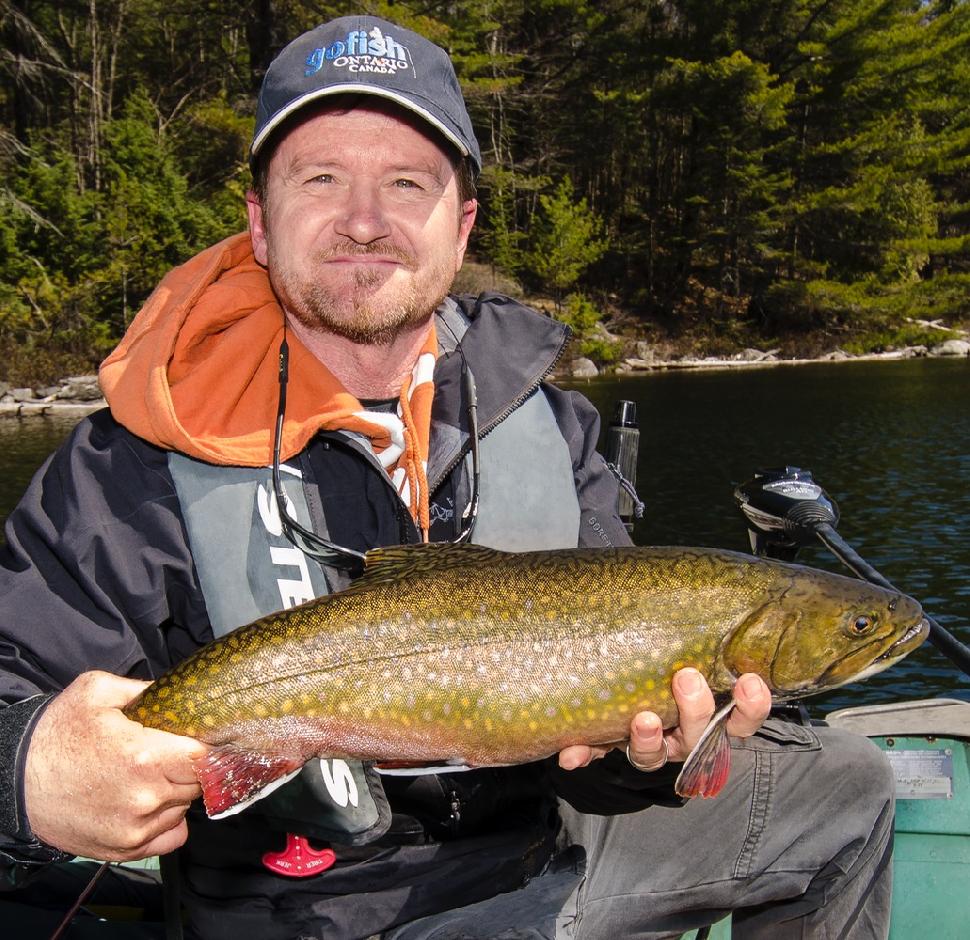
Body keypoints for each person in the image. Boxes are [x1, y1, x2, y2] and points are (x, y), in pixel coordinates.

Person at [0, 15, 895, 940]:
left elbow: (603, 755)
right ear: (260, 225)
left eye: (406, 183)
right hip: (302, 911)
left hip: (542, 855)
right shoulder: (133, 460)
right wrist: (23, 766)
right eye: (321, 179)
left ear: (459, 227)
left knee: (849, 786)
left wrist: (652, 754)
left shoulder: (547, 422)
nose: (363, 220)